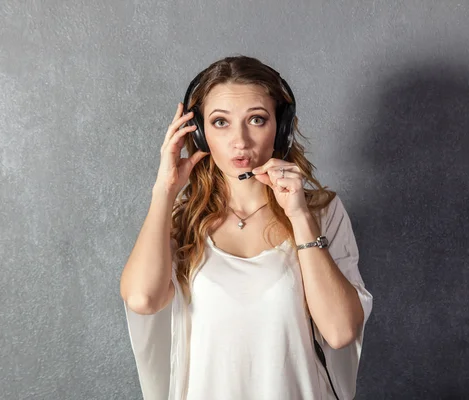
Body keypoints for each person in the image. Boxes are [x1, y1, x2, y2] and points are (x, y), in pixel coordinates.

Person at [119, 55, 373, 400]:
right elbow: (142, 299)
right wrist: (164, 191)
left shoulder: (321, 212)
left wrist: (299, 216)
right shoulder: (181, 218)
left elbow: (341, 331)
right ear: (202, 135)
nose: (240, 140)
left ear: (280, 127)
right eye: (220, 122)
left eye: (256, 119)